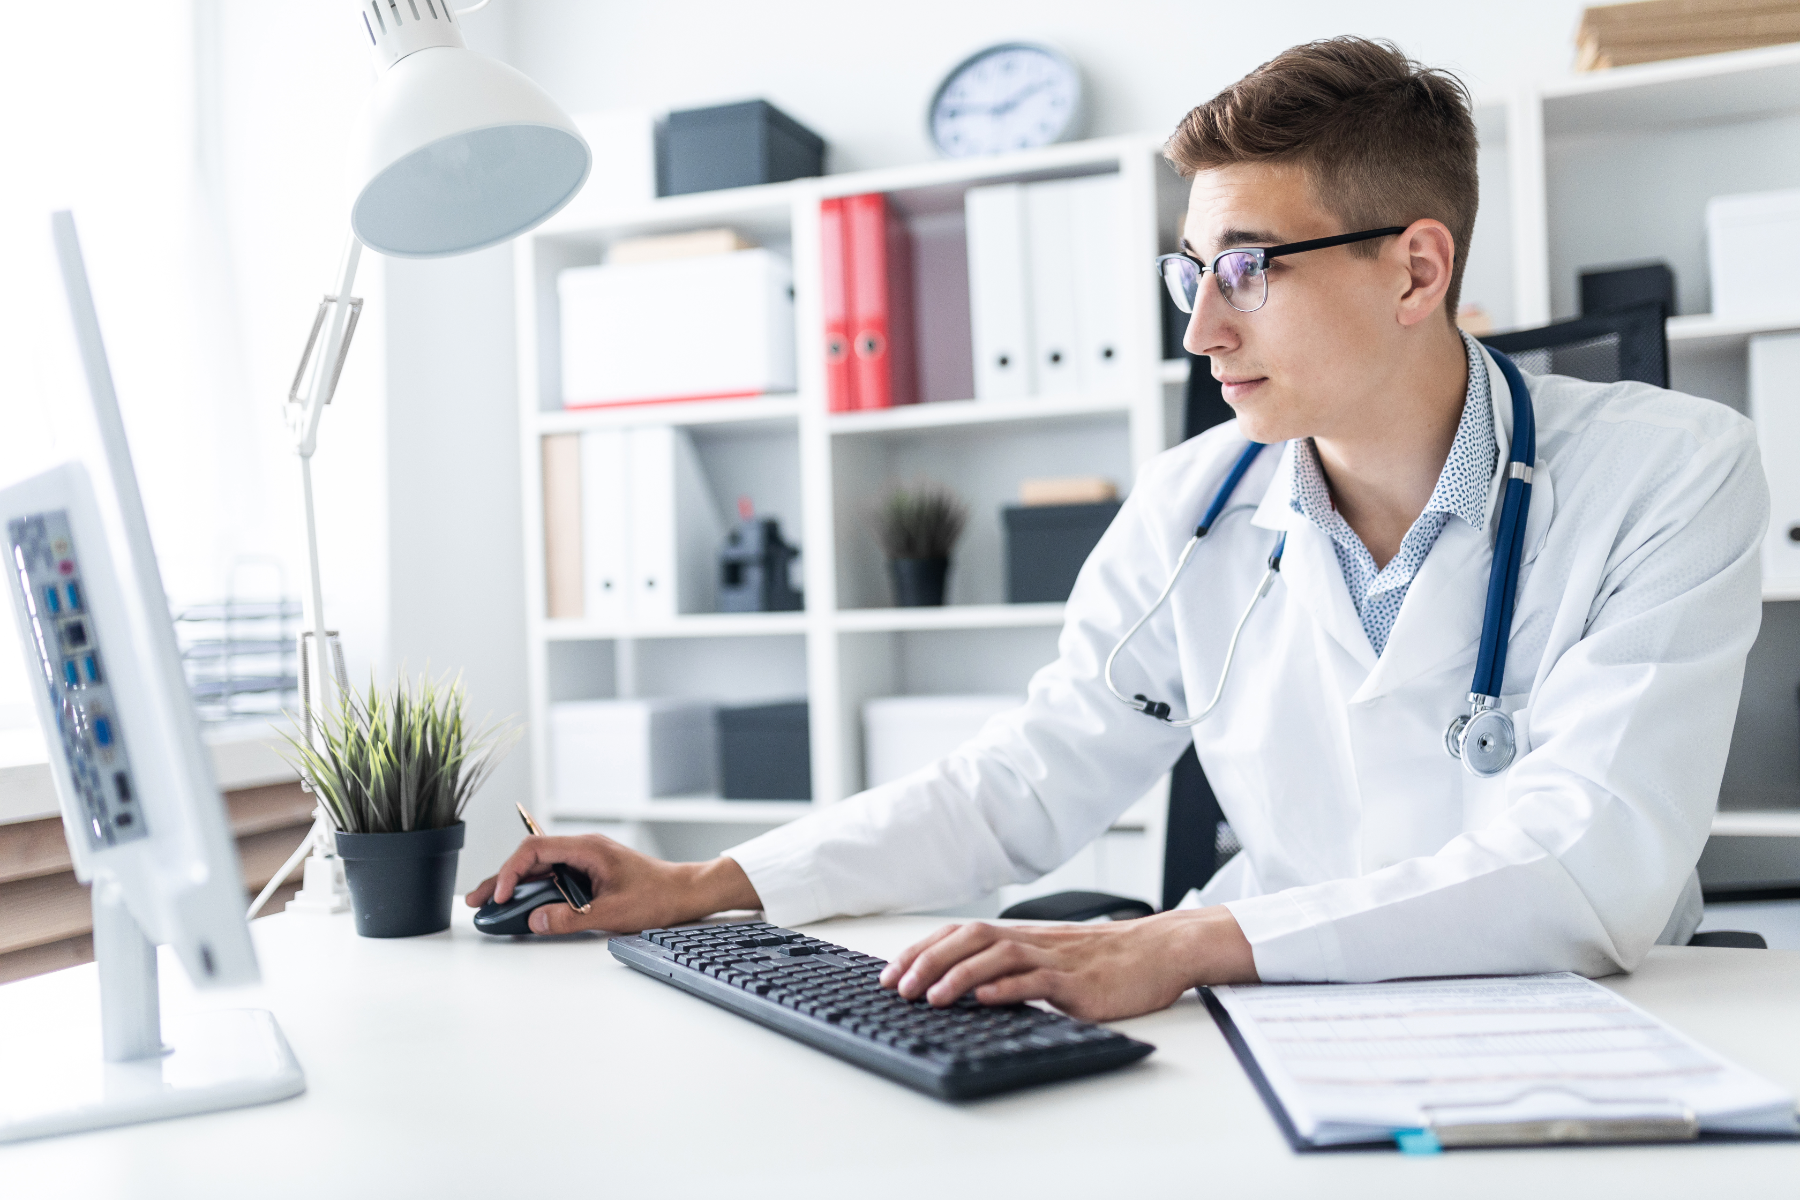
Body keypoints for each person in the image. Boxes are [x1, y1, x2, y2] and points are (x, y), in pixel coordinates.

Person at [466, 37, 1765, 1022]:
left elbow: (1586, 865)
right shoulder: (1195, 505)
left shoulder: (1669, 473)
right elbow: (1024, 783)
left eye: (1249, 269)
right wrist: (707, 882)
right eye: (1189, 274)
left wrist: (1181, 941)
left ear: (1416, 270)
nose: (1201, 331)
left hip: (1576, 1017)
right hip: (1283, 1018)